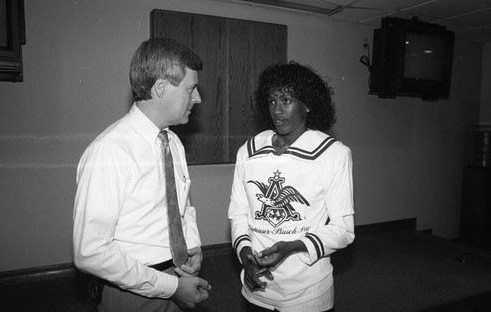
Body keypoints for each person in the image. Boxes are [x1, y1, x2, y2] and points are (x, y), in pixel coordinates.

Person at [73, 37, 210, 312]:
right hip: (132, 290)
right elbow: (91, 252)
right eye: (191, 89)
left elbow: (184, 208)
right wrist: (170, 287)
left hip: (178, 276)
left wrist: (192, 245)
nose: (198, 98)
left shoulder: (173, 142)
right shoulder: (109, 151)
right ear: (161, 88)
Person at [228, 61, 355, 312]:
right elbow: (238, 213)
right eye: (272, 101)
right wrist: (245, 257)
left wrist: (293, 246)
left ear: (307, 104)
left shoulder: (333, 154)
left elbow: (343, 229)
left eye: (286, 100)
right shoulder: (249, 151)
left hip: (307, 291)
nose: (277, 110)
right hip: (258, 287)